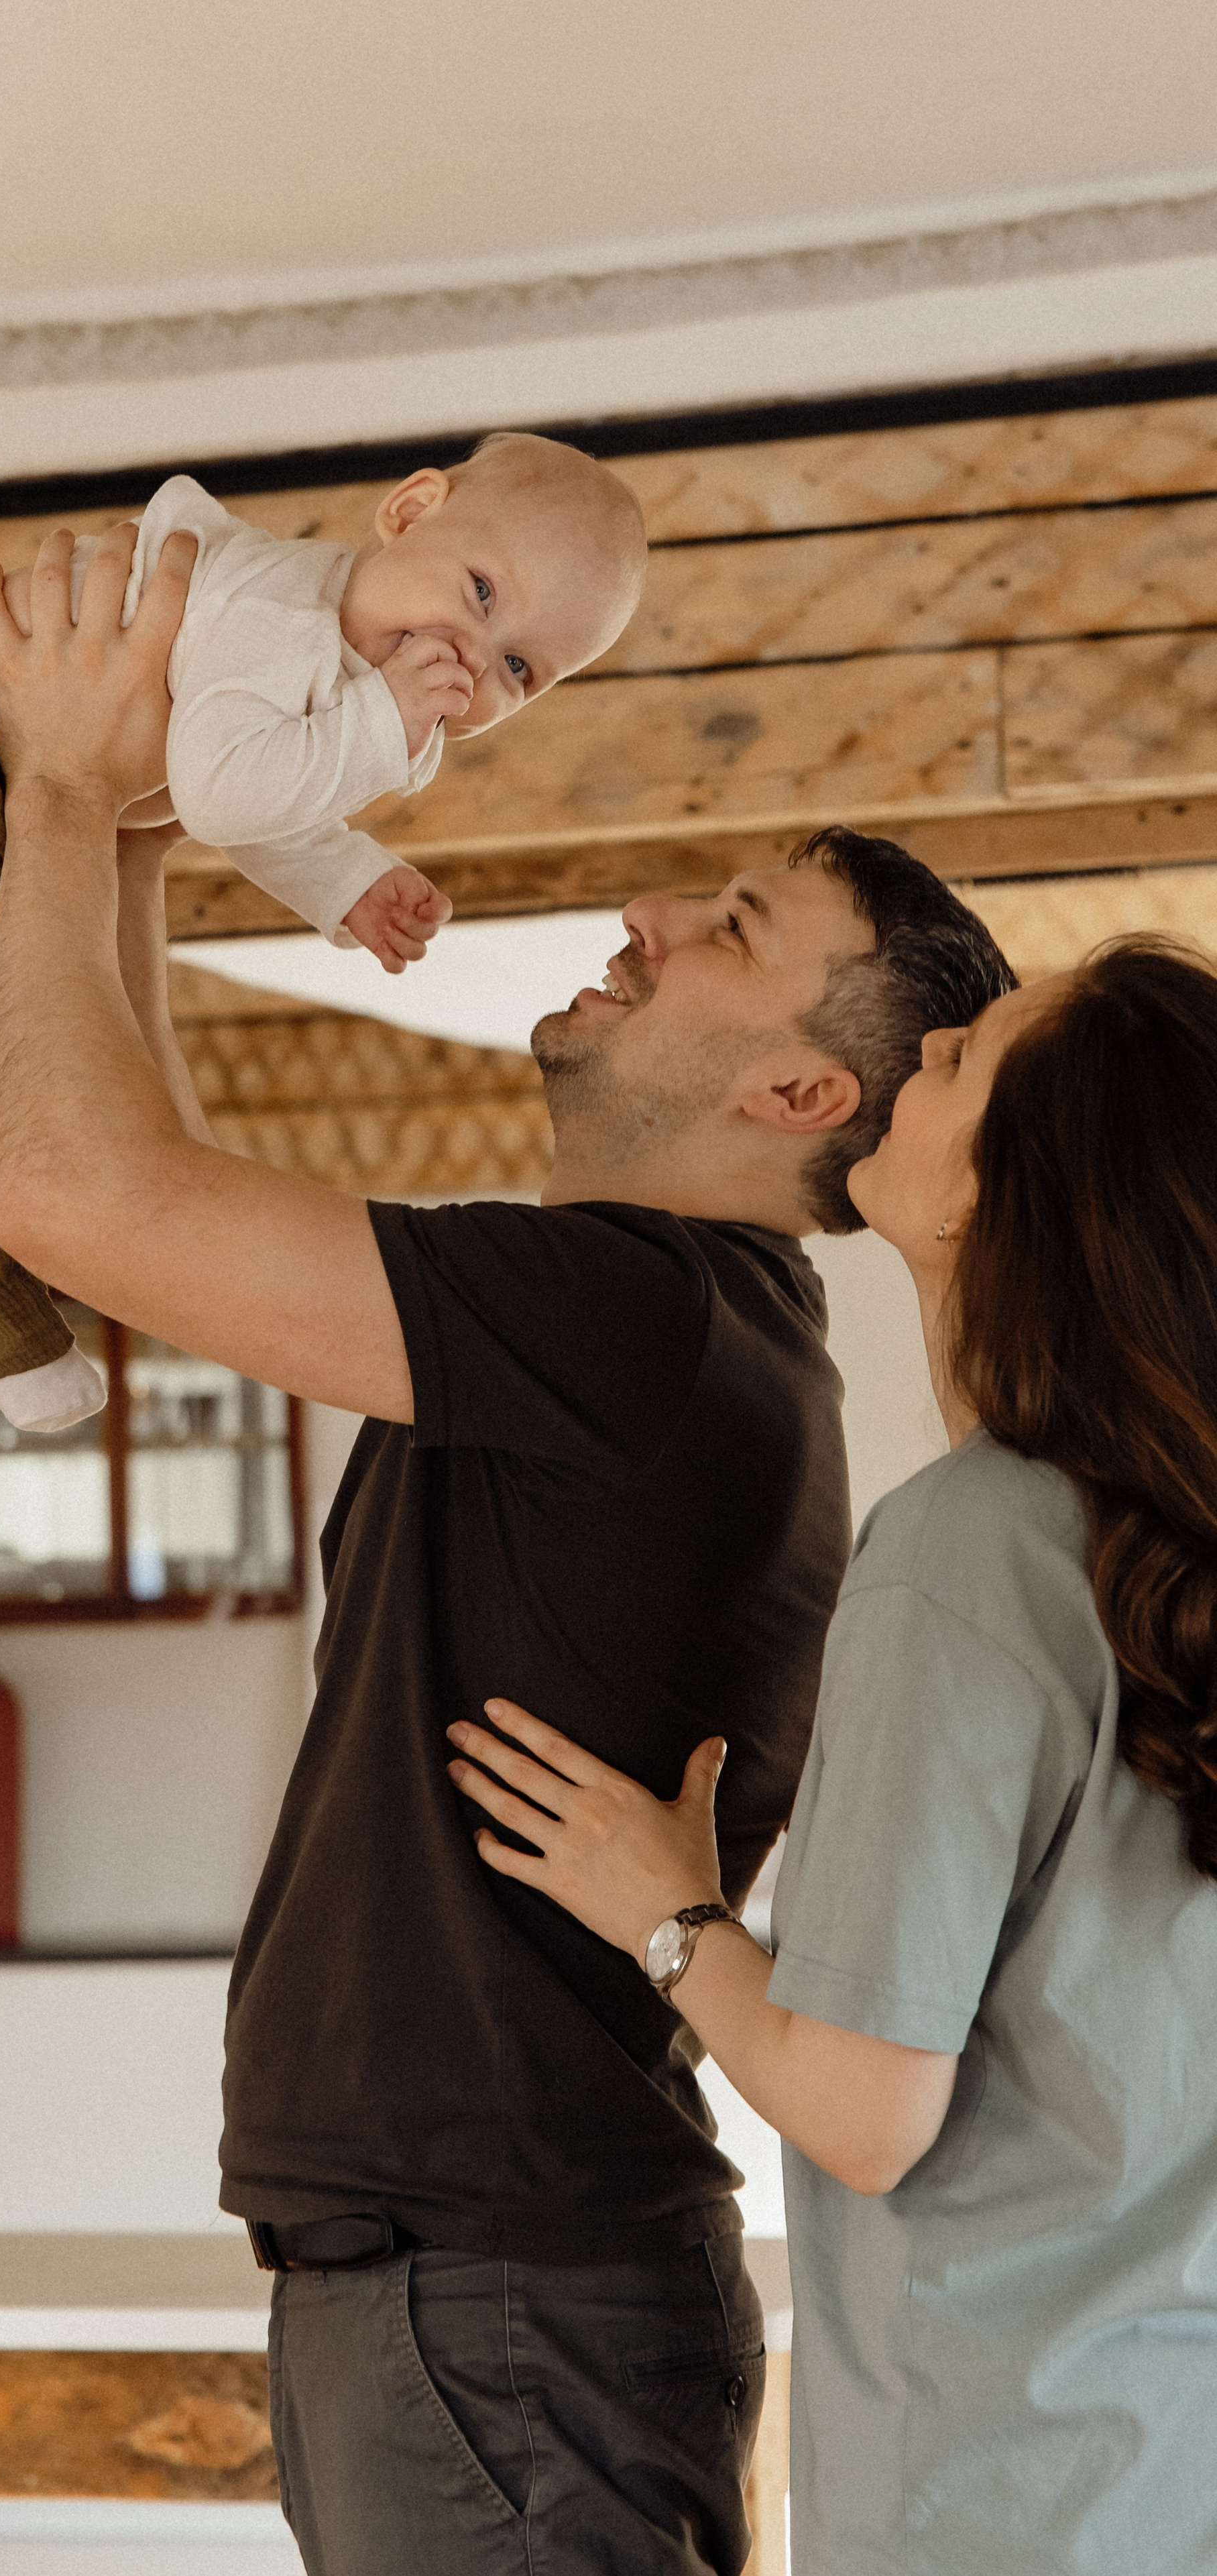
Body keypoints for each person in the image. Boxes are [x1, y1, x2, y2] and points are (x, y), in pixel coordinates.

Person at [0, 522, 1014, 2576]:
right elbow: (153, 1202)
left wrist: (66, 790)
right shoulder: (658, 1333)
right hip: (485, 2294)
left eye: (721, 925)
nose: (638, 911)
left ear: (802, 1084)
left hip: (499, 2304)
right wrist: (145, 850)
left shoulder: (638, 1321)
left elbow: (69, 1199)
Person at [446, 938, 1217, 2575]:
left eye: (966, 1058)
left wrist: (662, 1908)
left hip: (992, 2498)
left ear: (1006, 1195)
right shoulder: (1148, 1561)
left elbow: (864, 2110)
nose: (927, 1037)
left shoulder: (969, 1549)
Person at [0, 433, 647, 1434]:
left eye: (519, 665)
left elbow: (265, 795)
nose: (475, 654)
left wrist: (345, 880)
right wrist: (379, 724)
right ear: (409, 511)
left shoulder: (370, 688)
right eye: (479, 592)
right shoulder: (280, 619)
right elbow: (220, 790)